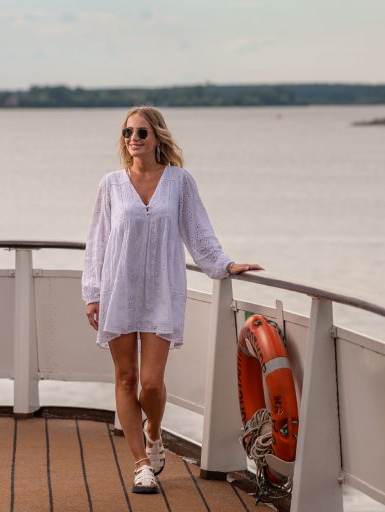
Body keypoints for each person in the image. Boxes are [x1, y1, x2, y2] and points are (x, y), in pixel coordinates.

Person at [82, 106, 262, 495]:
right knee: (126, 378)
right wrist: (93, 293)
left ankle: (154, 430)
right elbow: (98, 241)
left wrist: (225, 264)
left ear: (157, 137)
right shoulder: (110, 184)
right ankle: (141, 465)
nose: (133, 138)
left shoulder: (179, 181)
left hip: (162, 292)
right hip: (119, 291)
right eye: (128, 132)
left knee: (151, 382)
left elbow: (199, 232)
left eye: (141, 132)